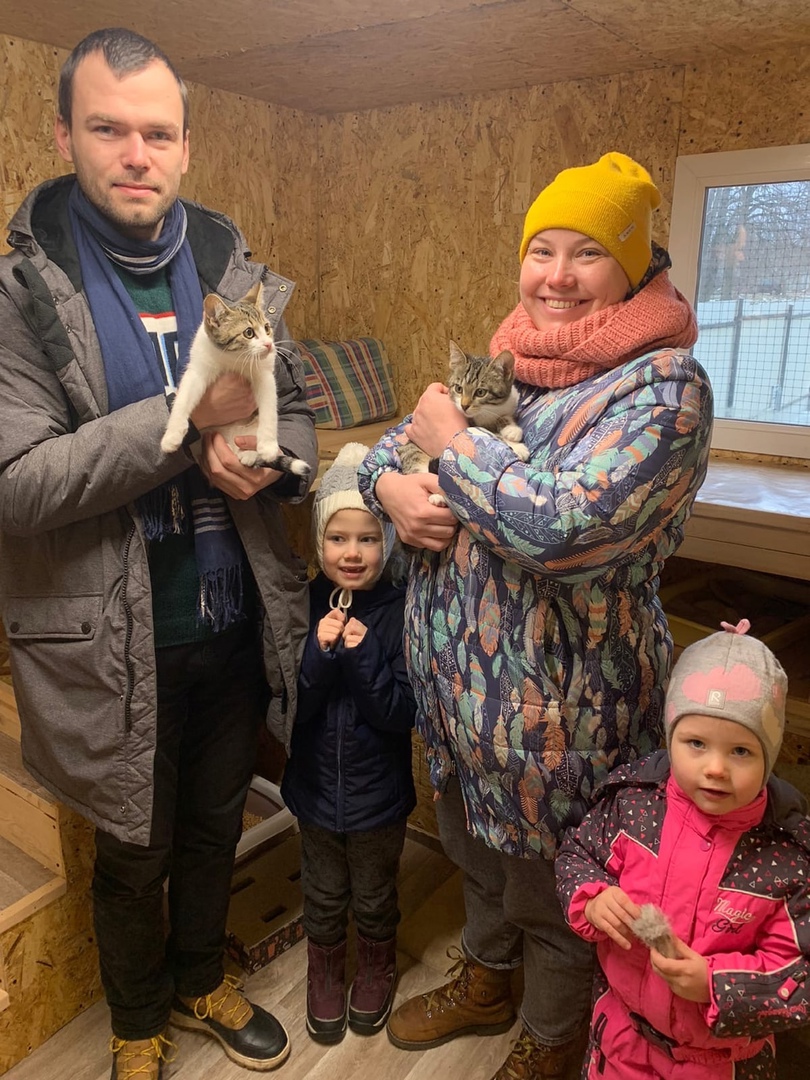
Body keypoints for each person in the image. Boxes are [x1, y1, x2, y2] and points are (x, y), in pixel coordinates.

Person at [0, 28, 317, 1080]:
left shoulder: (234, 273)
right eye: (108, 129)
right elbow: (19, 484)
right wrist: (185, 431)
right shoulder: (20, 296)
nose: (136, 155)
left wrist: (270, 462)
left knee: (215, 826)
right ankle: (137, 1023)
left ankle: (198, 980)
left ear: (185, 145)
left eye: (158, 133)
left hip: (234, 618)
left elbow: (297, 415)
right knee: (132, 851)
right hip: (110, 637)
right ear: (64, 136)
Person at [358, 152, 714, 1079]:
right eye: (540, 250)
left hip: (563, 717)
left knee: (562, 885)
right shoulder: (511, 360)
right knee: (474, 851)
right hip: (460, 700)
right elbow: (384, 451)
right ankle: (485, 979)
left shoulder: (663, 388)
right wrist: (392, 488)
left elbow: (562, 529)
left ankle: (553, 1037)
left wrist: (454, 449)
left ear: (631, 267)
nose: (556, 275)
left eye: (586, 253)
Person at [555, 620, 810, 1079]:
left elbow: (800, 977)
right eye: (696, 743)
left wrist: (716, 985)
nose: (715, 768)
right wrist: (592, 898)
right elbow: (576, 854)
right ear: (670, 739)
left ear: (769, 756)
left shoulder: (785, 858)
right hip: (621, 1039)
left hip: (723, 1062)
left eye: (741, 751)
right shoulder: (633, 806)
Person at [280, 443, 416, 1044]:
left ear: (387, 541)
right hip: (314, 792)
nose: (352, 553)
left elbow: (399, 714)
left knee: (375, 892)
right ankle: (326, 971)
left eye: (367, 538)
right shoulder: (303, 604)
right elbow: (294, 708)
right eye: (338, 538)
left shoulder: (400, 609)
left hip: (378, 797)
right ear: (319, 542)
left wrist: (361, 658)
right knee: (323, 891)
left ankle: (377, 965)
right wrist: (317, 652)